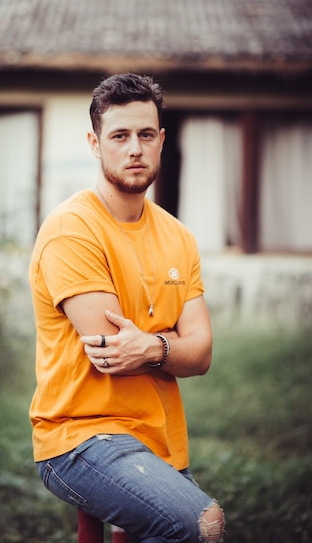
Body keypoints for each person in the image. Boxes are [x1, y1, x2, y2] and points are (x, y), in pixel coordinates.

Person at [29, 73, 225, 543]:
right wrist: (171, 343)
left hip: (159, 440)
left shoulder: (178, 236)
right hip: (80, 439)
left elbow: (202, 355)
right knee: (202, 524)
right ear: (96, 144)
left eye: (144, 134)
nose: (134, 148)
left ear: (161, 140)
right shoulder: (71, 230)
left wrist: (153, 346)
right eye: (119, 136)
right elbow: (114, 353)